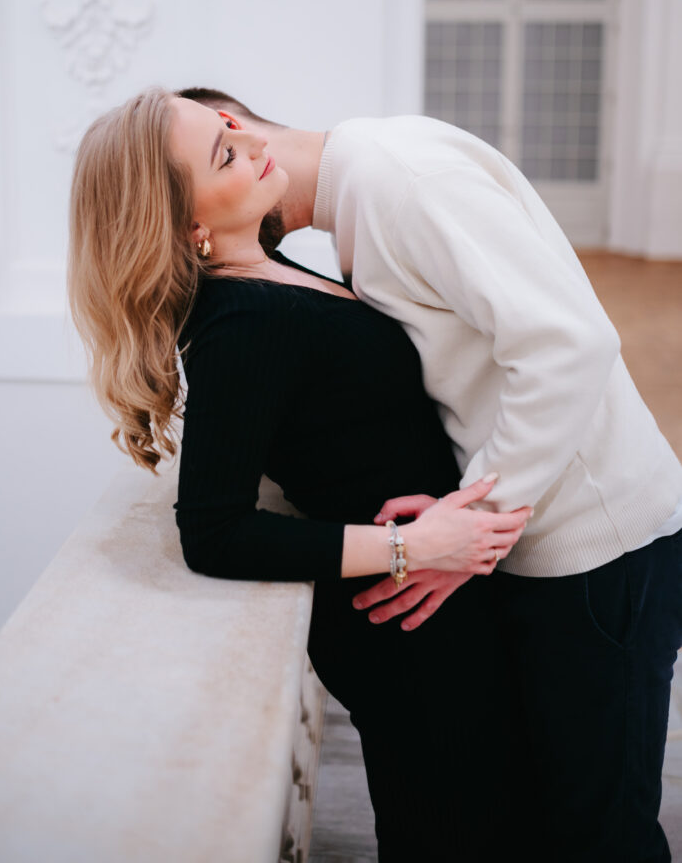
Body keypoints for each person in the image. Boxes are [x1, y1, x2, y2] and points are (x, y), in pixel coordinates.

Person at [176, 86, 682, 863]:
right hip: (537, 543)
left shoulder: (397, 180)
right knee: (555, 820)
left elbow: (569, 343)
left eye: (226, 140)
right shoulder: (361, 201)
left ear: (238, 122)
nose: (241, 152)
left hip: (594, 544)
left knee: (600, 834)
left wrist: (467, 525)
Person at [67, 87, 532, 862]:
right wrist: (413, 548)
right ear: (190, 228)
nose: (254, 141)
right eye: (225, 153)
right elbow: (213, 531)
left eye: (231, 126)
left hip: (441, 607)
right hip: (409, 631)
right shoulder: (241, 324)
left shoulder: (269, 271)